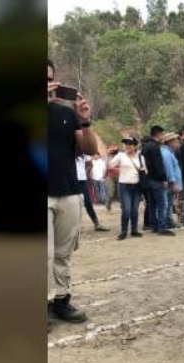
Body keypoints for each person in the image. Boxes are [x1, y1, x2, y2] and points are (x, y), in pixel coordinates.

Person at [47, 59, 97, 324]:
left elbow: (89, 149)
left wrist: (85, 120)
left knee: (63, 252)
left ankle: (61, 300)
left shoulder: (67, 114)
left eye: (50, 79)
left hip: (67, 190)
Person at [109, 137, 146, 240]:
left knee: (134, 210)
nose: (127, 146)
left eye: (130, 144)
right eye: (126, 144)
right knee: (126, 209)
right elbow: (110, 165)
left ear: (135, 146)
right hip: (124, 185)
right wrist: (118, 171)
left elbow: (144, 170)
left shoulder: (140, 158)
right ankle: (124, 231)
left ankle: (134, 230)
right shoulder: (121, 156)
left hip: (137, 186)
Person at [141, 126, 171, 234]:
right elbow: (158, 165)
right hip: (156, 180)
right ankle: (162, 227)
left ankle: (154, 226)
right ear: (157, 135)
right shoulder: (155, 147)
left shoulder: (145, 147)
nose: (163, 136)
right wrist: (164, 179)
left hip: (148, 179)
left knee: (152, 204)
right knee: (161, 204)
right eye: (162, 134)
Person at [77, 154, 109, 232]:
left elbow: (90, 162)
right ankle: (74, 227)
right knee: (74, 205)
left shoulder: (82, 153)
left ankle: (96, 224)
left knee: (88, 203)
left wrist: (87, 170)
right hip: (71, 180)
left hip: (82, 180)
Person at [160, 132, 183, 236]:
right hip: (170, 184)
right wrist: (173, 182)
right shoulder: (166, 153)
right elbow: (169, 169)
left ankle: (169, 221)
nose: (177, 143)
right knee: (166, 204)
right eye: (176, 141)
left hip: (171, 183)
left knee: (169, 204)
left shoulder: (169, 152)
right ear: (170, 142)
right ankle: (165, 223)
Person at [105, 143, 120, 213]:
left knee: (121, 193)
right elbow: (107, 166)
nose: (113, 152)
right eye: (112, 150)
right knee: (110, 193)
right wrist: (108, 155)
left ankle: (124, 207)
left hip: (120, 177)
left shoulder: (120, 156)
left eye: (114, 150)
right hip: (110, 177)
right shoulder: (108, 157)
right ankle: (108, 206)